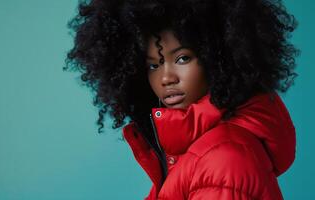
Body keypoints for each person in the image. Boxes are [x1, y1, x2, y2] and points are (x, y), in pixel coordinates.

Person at [64, 0, 300, 199]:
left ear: (220, 57)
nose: (166, 78)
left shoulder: (223, 158)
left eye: (182, 58)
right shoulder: (191, 153)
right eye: (154, 65)